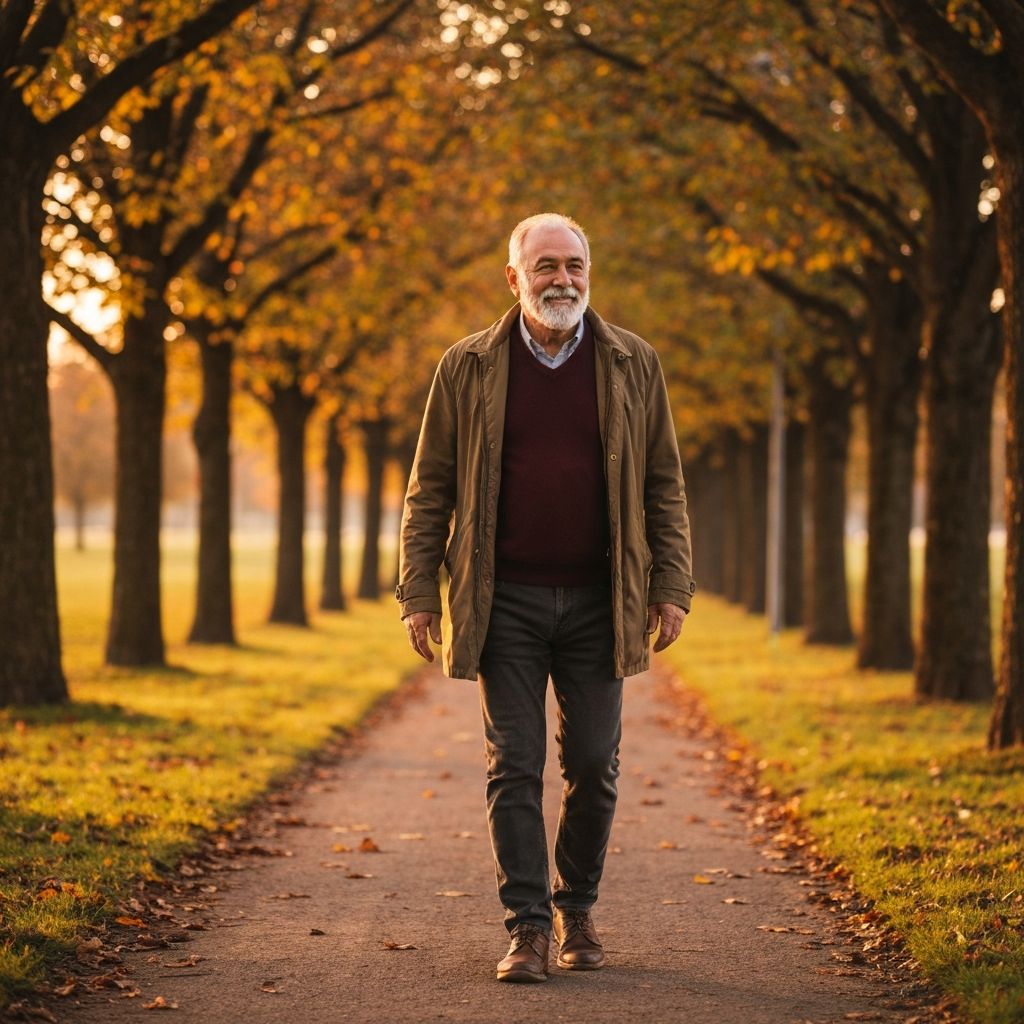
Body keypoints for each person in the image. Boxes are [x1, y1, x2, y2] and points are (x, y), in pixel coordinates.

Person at [397, 212, 695, 983]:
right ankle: (527, 927)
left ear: (588, 272)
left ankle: (578, 907)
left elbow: (664, 483)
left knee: (595, 764)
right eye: (546, 267)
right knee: (514, 764)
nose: (562, 279)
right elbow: (429, 487)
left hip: (604, 598)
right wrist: (418, 591)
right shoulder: (465, 366)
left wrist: (671, 585)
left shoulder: (633, 362)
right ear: (514, 277)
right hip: (507, 601)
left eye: (574, 265)